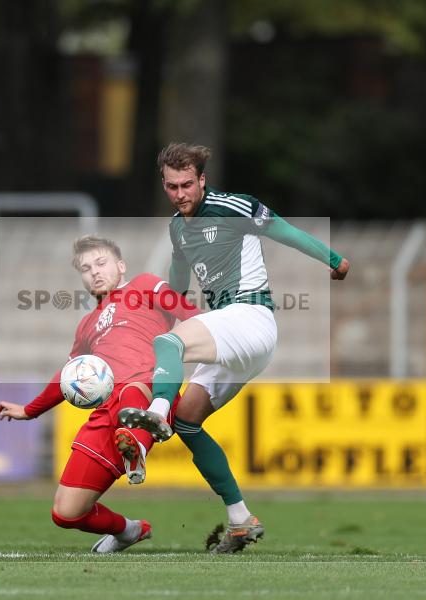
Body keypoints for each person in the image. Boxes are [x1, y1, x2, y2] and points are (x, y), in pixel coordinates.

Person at [119, 142, 350, 553]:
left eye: (187, 184)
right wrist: (161, 309)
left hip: (250, 318)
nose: (180, 194)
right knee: (187, 420)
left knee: (168, 346)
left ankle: (155, 414)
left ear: (202, 180)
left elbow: (286, 231)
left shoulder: (235, 207)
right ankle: (242, 519)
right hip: (230, 332)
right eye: (171, 187)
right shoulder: (178, 227)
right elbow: (177, 281)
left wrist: (333, 259)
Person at [0, 235, 198, 553]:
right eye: (86, 268)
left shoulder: (146, 285)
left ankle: (138, 444)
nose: (94, 272)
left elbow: (192, 316)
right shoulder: (87, 325)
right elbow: (68, 375)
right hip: (108, 413)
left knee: (132, 389)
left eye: (101, 263)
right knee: (65, 512)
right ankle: (128, 530)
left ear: (121, 265)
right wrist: (30, 410)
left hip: (151, 389)